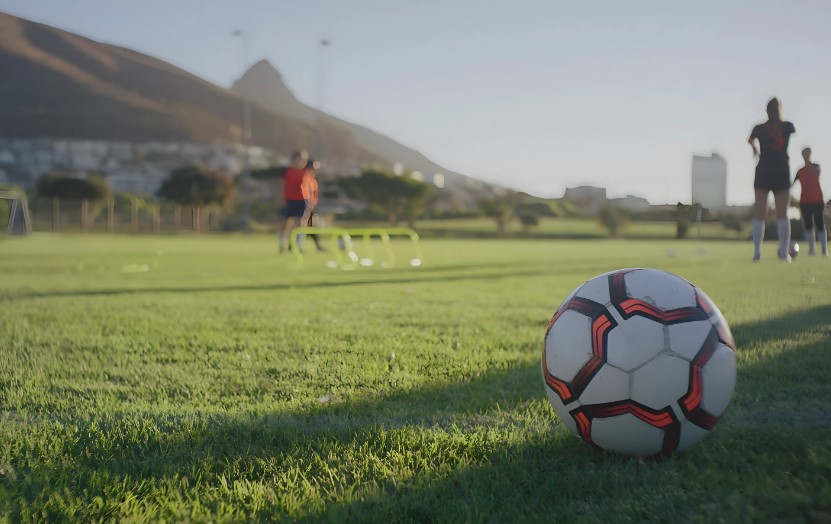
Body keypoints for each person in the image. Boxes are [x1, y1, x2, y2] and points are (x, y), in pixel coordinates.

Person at [748, 98, 796, 261]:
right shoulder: (788, 126)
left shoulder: (759, 128)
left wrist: (754, 149)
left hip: (764, 170)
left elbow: (749, 139)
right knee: (782, 214)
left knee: (760, 213)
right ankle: (784, 253)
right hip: (781, 171)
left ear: (766, 110)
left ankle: (757, 253)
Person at [792, 147, 827, 256]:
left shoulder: (816, 167)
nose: (806, 156)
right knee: (808, 226)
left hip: (817, 200)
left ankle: (824, 250)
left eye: (808, 153)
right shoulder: (800, 171)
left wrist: (810, 166)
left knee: (820, 224)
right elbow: (792, 184)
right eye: (804, 154)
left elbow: (817, 173)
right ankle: (812, 249)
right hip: (804, 202)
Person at [278, 149, 310, 253]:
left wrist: (310, 201)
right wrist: (282, 199)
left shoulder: (306, 172)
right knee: (287, 222)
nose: (303, 162)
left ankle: (297, 245)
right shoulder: (286, 172)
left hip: (301, 200)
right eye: (301, 159)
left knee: (301, 222)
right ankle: (282, 243)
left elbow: (309, 187)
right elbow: (281, 186)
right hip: (289, 200)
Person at [297, 159, 326, 252]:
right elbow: (306, 191)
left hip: (311, 205)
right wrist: (308, 202)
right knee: (303, 225)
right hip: (306, 203)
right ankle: (296, 245)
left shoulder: (312, 178)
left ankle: (317, 245)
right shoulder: (306, 177)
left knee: (312, 226)